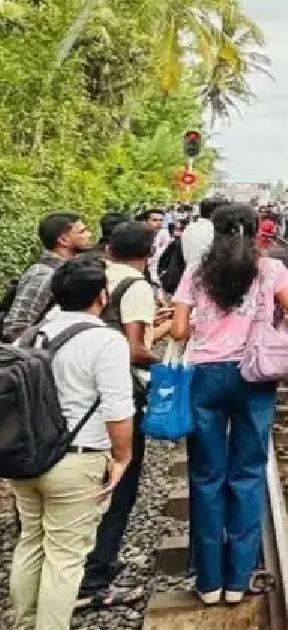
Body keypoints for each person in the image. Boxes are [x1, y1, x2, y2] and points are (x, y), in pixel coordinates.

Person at [171, 203, 288, 605]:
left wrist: (207, 325)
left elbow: (179, 330)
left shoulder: (196, 271)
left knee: (206, 476)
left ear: (214, 231)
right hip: (253, 376)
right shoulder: (270, 271)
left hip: (204, 378)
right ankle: (238, 580)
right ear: (255, 230)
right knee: (247, 475)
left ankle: (208, 582)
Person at [8, 260, 134, 630]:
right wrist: (122, 458)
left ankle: (24, 624)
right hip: (77, 460)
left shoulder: (29, 336)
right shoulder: (106, 340)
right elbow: (117, 409)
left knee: (31, 542)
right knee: (65, 557)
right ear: (102, 296)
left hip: (27, 458)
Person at [75, 222, 171, 611]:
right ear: (148, 254)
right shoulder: (136, 286)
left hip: (75, 394)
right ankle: (94, 580)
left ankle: (67, 574)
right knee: (120, 486)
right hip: (115, 396)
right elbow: (132, 350)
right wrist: (164, 359)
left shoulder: (86, 272)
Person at [2, 212, 93, 342]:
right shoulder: (44, 273)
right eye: (82, 231)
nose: (89, 235)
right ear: (63, 240)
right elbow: (15, 328)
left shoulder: (68, 270)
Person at [181, 197, 226, 268]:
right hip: (207, 275)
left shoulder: (189, 228)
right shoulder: (215, 231)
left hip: (188, 273)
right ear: (214, 213)